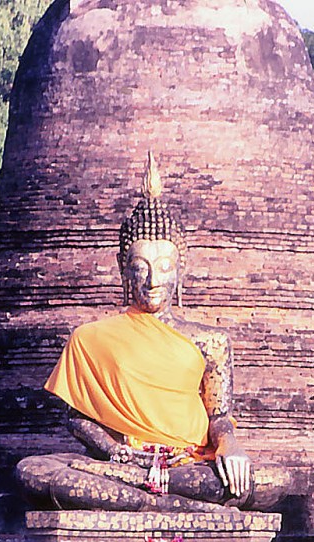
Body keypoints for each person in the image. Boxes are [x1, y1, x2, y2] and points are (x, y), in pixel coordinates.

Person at [15, 154, 286, 511]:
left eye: (164, 267)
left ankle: (145, 496)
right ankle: (169, 500)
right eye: (140, 268)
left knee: (273, 480)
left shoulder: (210, 341)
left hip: (188, 463)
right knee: (35, 471)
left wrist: (229, 446)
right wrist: (117, 454)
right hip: (121, 463)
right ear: (123, 271)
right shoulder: (90, 338)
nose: (153, 280)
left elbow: (218, 416)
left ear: (180, 270)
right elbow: (77, 419)